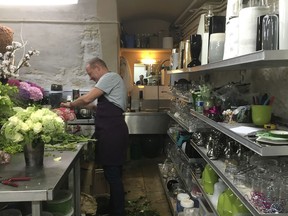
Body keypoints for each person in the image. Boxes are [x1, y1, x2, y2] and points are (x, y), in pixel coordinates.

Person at [61, 57, 129, 216]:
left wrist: (70, 105)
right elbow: (95, 106)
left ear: (98, 68)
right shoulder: (110, 82)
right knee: (111, 173)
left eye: (90, 73)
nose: (90, 78)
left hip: (113, 133)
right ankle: (114, 207)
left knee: (113, 174)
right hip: (110, 132)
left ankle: (118, 212)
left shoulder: (110, 77)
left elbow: (87, 98)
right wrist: (87, 106)